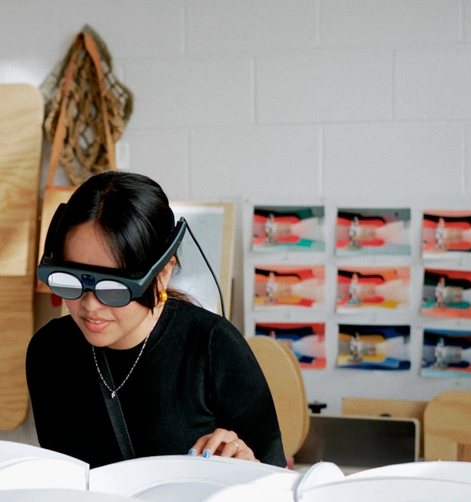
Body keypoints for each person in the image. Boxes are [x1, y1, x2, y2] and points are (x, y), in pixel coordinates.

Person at [29, 172, 284, 468]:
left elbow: (274, 484)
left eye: (113, 287)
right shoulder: (47, 352)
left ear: (162, 273)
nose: (89, 304)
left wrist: (246, 463)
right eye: (70, 279)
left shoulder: (214, 347)